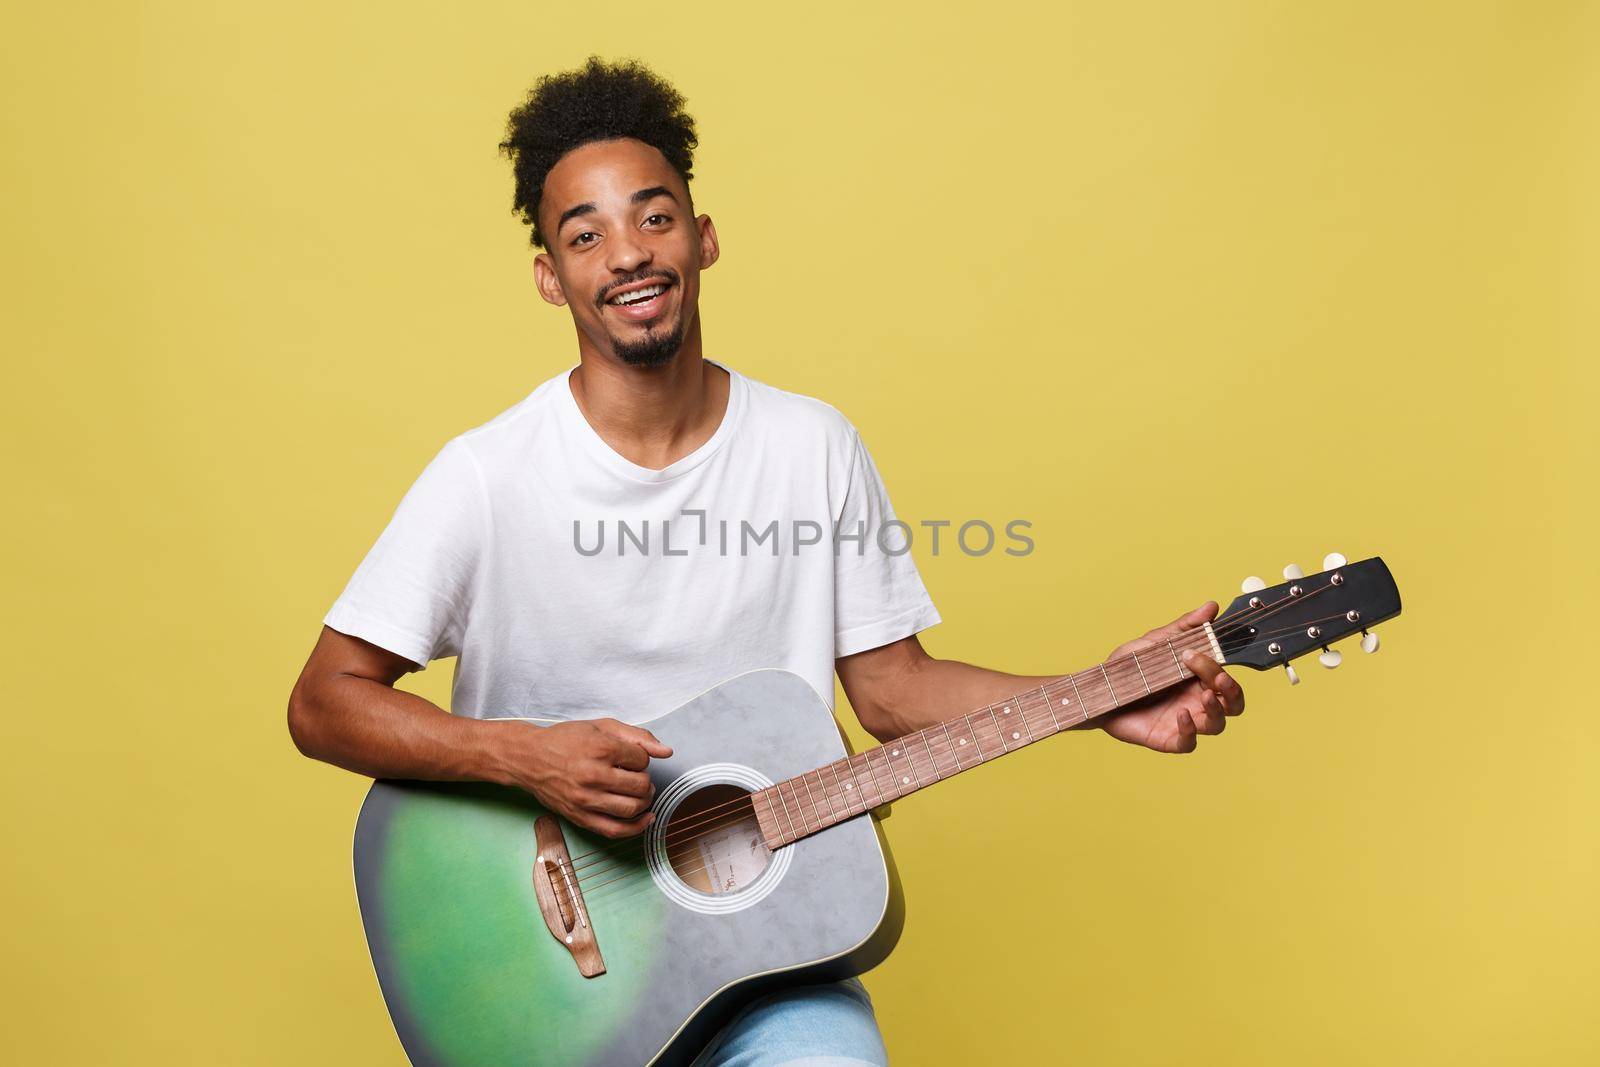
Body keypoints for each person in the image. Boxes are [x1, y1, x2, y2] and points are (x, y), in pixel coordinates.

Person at [287, 56, 1246, 1067]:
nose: (626, 254)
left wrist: (1100, 695)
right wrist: (526, 756)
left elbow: (891, 690)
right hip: (551, 978)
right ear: (550, 276)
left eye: (653, 216)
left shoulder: (811, 446)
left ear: (701, 237)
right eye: (585, 233)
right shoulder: (486, 476)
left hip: (768, 963)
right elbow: (322, 702)